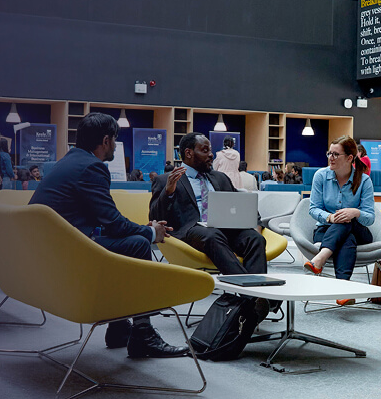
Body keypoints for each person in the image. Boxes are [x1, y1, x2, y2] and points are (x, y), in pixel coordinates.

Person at [29, 113, 186, 358]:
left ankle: (120, 327)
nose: (114, 145)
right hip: (66, 258)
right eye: (114, 139)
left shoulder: (68, 162)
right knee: (137, 244)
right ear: (105, 141)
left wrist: (141, 229)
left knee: (128, 243)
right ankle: (142, 333)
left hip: (48, 255)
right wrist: (150, 232)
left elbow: (98, 220)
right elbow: (114, 224)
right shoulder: (93, 167)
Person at [150, 133, 268, 276]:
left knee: (255, 239)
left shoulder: (220, 177)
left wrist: (256, 226)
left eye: (210, 150)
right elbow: (154, 217)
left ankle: (250, 295)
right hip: (190, 230)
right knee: (212, 235)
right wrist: (168, 192)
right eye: (205, 151)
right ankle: (249, 292)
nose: (211, 155)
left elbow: (244, 205)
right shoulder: (165, 180)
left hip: (223, 229)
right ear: (189, 153)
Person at [303, 136, 377, 280]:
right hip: (325, 230)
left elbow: (370, 218)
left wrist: (355, 213)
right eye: (329, 153)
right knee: (346, 237)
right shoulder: (321, 176)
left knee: (347, 222)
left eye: (336, 154)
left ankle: (321, 257)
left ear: (350, 158)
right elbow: (313, 208)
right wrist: (330, 217)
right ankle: (344, 289)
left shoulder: (364, 180)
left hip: (359, 232)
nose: (331, 157)